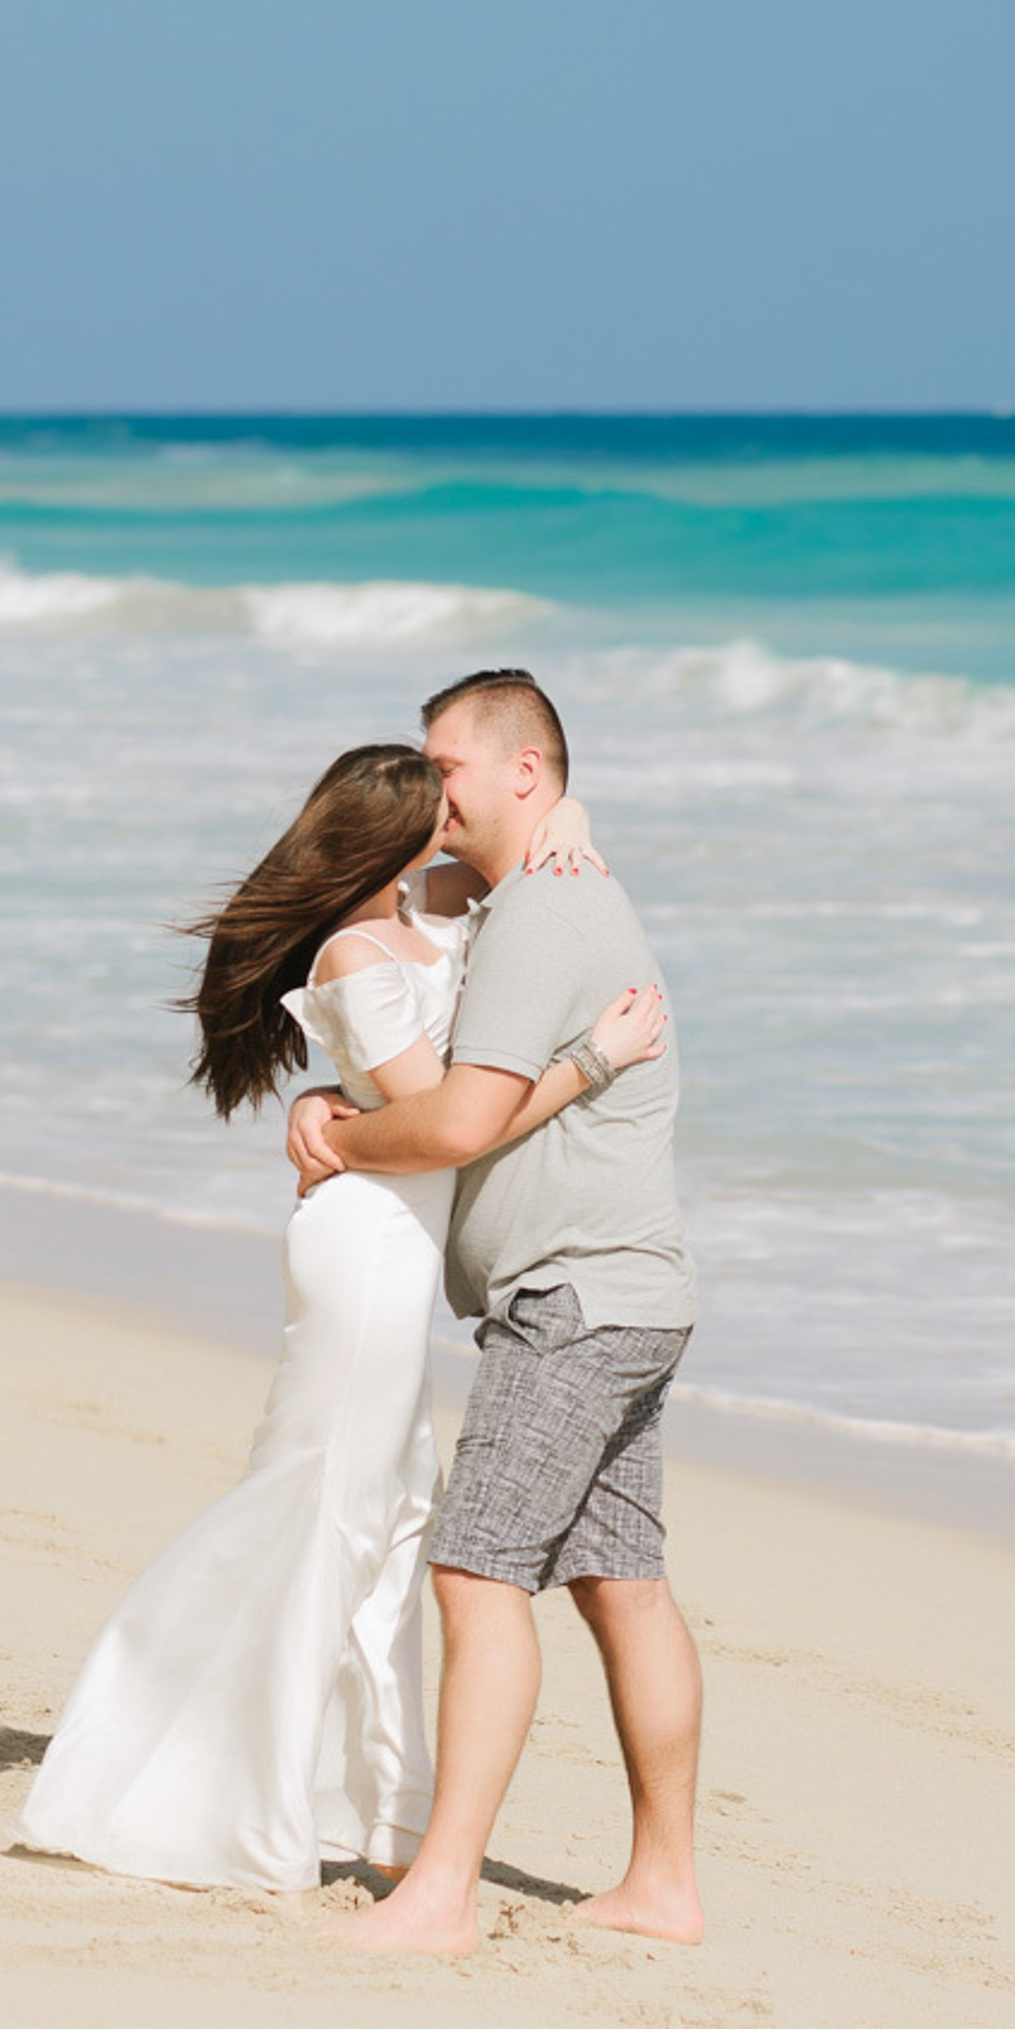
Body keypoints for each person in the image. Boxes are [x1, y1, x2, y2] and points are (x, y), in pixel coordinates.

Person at [18, 742, 665, 1895]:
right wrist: (592, 1060)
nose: (452, 812)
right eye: (434, 805)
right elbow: (454, 1123)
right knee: (328, 1499)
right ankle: (203, 1765)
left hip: (400, 1248)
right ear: (395, 835)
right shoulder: (355, 953)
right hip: (366, 1242)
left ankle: (380, 1808)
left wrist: (566, 815)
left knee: (392, 1510)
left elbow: (526, 844)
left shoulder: (425, 909)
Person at [287, 670, 702, 1955]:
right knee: (621, 1584)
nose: (430, 788)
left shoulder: (541, 915)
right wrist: (326, 1092)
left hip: (571, 1297)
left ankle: (443, 1894)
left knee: (475, 1571)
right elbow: (422, 994)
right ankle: (663, 1886)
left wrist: (341, 1138)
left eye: (447, 765)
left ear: (523, 772)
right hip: (630, 1290)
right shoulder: (538, 892)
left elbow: (462, 1121)